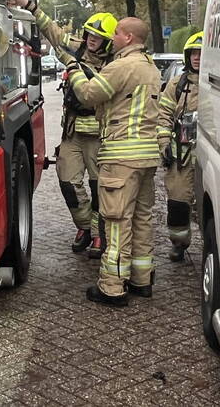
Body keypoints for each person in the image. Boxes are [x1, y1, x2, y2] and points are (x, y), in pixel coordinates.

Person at [11, 0, 117, 258]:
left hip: (98, 135)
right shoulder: (75, 47)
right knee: (68, 182)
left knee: (97, 186)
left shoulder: (115, 64)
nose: (91, 41)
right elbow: (52, 30)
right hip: (72, 133)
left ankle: (96, 235)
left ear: (107, 42)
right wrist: (28, 5)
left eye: (98, 38)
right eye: (90, 35)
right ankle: (83, 226)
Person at [68, 17, 163, 306]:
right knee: (142, 217)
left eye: (118, 32)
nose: (114, 35)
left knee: (117, 220)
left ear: (130, 37)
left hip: (121, 156)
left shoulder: (121, 66)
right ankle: (141, 280)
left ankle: (111, 286)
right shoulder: (150, 67)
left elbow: (87, 95)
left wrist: (74, 71)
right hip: (147, 157)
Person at [158, 31, 203, 262]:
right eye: (193, 54)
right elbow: (163, 115)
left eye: (201, 54)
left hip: (209, 156)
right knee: (177, 202)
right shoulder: (177, 84)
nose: (196, 58)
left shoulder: (216, 86)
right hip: (182, 156)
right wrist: (164, 143)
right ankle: (179, 243)